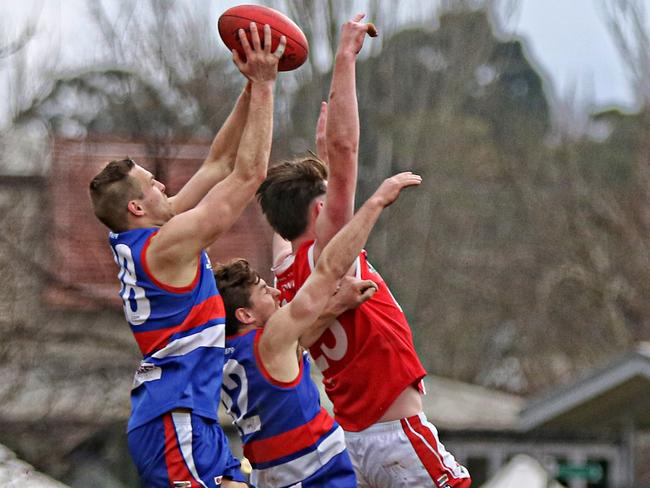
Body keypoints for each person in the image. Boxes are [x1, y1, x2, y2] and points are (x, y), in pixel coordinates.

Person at [256, 14, 471, 488]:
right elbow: (347, 147)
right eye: (328, 194)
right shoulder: (330, 253)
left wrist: (320, 157)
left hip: (353, 440)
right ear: (318, 210)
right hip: (398, 437)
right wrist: (345, 58)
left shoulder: (284, 267)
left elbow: (322, 171)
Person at [88, 24, 285, 488]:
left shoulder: (157, 236)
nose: (163, 185)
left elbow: (218, 162)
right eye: (152, 183)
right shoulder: (165, 245)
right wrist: (268, 85)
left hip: (189, 416)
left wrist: (249, 86)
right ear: (136, 207)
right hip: (173, 418)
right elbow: (248, 174)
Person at [217, 172, 421, 488]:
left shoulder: (227, 348)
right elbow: (328, 270)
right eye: (262, 290)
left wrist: (284, 206)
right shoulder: (270, 340)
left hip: (265, 473)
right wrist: (377, 201)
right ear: (244, 314)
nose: (275, 291)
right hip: (309, 470)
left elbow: (299, 341)